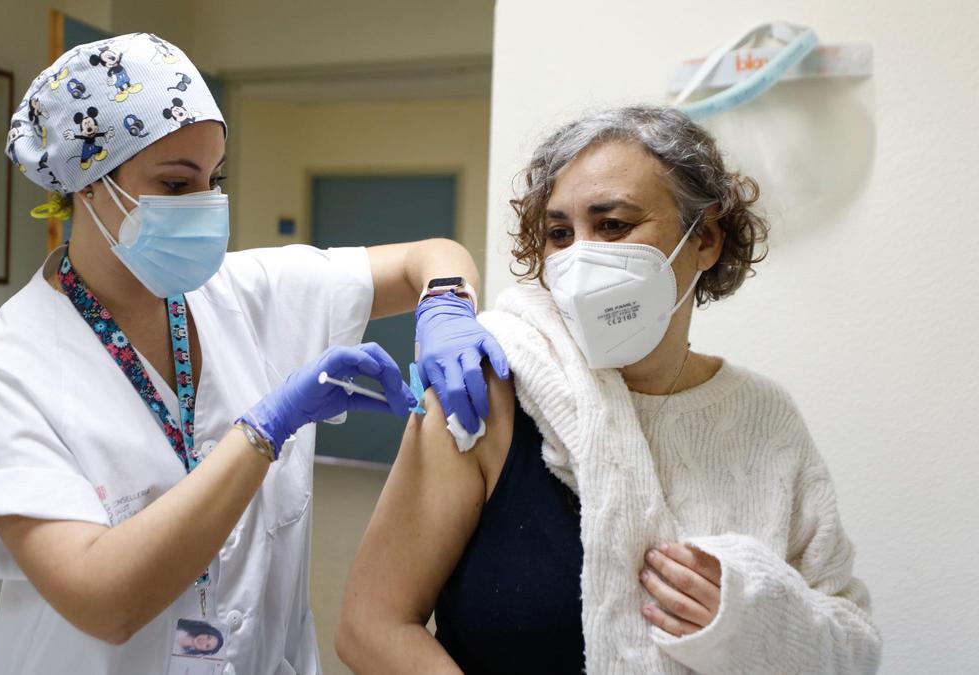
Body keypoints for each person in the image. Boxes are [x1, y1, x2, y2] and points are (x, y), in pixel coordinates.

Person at [0, 33, 506, 675]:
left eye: (214, 180)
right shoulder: (6, 369)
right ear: (87, 181)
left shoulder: (242, 292)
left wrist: (447, 304)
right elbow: (104, 600)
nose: (207, 207)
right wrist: (265, 430)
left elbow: (426, 257)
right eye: (178, 185)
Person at [337, 106, 882, 674]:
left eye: (614, 225)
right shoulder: (492, 386)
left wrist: (755, 617)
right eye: (558, 234)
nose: (581, 258)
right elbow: (371, 626)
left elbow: (851, 644)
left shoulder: (764, 419)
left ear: (707, 240)